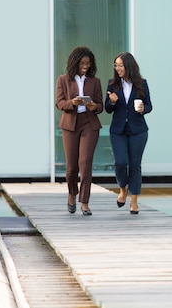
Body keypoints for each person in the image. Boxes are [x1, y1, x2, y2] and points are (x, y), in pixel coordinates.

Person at [55, 46, 104, 216]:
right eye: (83, 63)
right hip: (70, 125)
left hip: (89, 125)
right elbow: (59, 103)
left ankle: (84, 202)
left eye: (88, 64)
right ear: (75, 63)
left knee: (85, 164)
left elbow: (100, 106)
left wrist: (94, 106)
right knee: (71, 167)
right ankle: (71, 194)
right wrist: (73, 103)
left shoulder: (95, 81)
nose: (86, 66)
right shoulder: (63, 80)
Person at [105, 52, 152, 215]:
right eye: (116, 65)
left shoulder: (142, 84)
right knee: (120, 162)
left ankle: (134, 201)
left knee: (135, 165)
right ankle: (123, 189)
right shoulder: (112, 84)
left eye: (120, 65)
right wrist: (111, 102)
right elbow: (108, 109)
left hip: (138, 130)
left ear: (128, 66)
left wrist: (143, 109)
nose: (117, 68)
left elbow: (149, 106)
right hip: (118, 131)